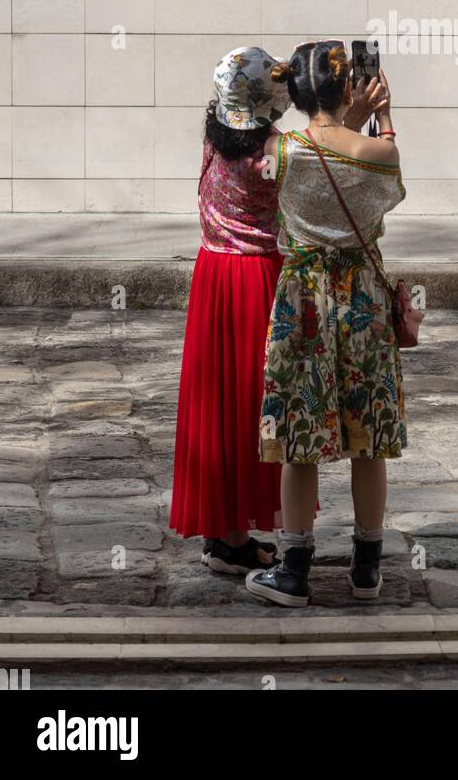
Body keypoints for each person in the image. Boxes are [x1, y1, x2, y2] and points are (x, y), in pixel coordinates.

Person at [170, 46, 382, 576]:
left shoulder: (215, 137)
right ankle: (266, 541)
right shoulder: (275, 152)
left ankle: (226, 535)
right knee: (260, 405)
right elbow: (331, 169)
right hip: (259, 277)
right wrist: (353, 119)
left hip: (213, 276)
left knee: (220, 403)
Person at [246, 41, 405, 609]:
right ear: (349, 90)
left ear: (296, 95)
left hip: (301, 300)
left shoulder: (279, 149)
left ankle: (293, 572)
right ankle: (366, 571)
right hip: (360, 294)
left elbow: (294, 152)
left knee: (299, 436)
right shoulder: (376, 153)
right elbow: (382, 175)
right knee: (370, 437)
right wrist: (382, 115)